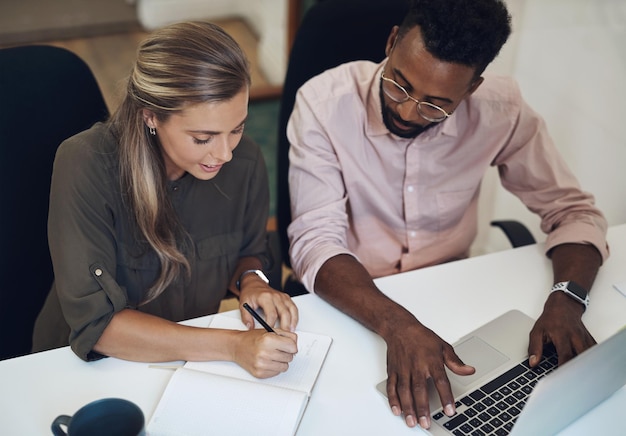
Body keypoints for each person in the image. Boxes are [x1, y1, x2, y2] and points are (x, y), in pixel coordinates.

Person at [287, 0, 608, 429]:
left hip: (455, 292)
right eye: (398, 85)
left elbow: (570, 209)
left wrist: (568, 298)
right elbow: (315, 239)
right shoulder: (324, 104)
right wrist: (397, 324)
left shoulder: (500, 109)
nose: (406, 111)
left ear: (472, 88)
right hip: (359, 299)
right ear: (391, 42)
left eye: (436, 105)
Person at [32, 21, 299, 379]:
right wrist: (233, 346)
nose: (225, 154)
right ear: (151, 116)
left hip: (182, 364)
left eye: (237, 128)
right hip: (83, 370)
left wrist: (251, 280)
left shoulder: (245, 160)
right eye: (203, 137)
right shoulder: (85, 164)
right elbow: (98, 324)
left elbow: (248, 253)